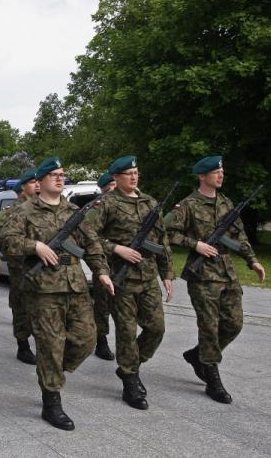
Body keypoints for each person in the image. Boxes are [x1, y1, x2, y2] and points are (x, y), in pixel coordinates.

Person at [0, 156, 114, 431]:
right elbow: (6, 241)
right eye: (54, 175)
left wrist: (102, 271)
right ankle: (52, 401)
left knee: (87, 338)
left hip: (74, 285)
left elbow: (92, 244)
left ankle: (51, 372)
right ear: (39, 183)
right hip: (43, 291)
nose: (60, 178)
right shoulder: (24, 212)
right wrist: (35, 246)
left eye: (62, 175)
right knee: (50, 346)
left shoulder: (73, 212)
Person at [164, 155, 266, 404]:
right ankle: (212, 377)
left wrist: (252, 260)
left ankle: (198, 355)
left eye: (221, 171)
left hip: (227, 271)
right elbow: (165, 230)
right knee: (209, 327)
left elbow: (239, 235)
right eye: (215, 172)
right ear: (202, 176)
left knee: (234, 323)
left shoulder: (226, 202)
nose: (221, 175)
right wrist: (195, 244)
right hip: (203, 276)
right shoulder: (187, 205)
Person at [88, 156, 174, 410]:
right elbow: (87, 234)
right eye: (128, 173)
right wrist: (116, 249)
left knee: (156, 328)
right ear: (115, 177)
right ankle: (130, 380)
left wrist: (167, 274)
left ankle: (130, 366)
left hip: (147, 276)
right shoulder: (106, 204)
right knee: (126, 332)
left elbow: (162, 241)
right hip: (121, 277)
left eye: (136, 172)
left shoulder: (150, 203)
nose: (134, 177)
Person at [0, 169, 38, 365]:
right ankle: (23, 345)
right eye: (32, 182)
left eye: (38, 181)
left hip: (43, 269)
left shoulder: (44, 208)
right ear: (22, 189)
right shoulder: (10, 213)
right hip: (20, 268)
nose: (36, 185)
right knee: (21, 306)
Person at [91, 171, 117, 360]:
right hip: (105, 263)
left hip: (129, 265)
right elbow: (91, 236)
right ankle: (101, 341)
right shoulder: (100, 206)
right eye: (114, 186)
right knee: (102, 306)